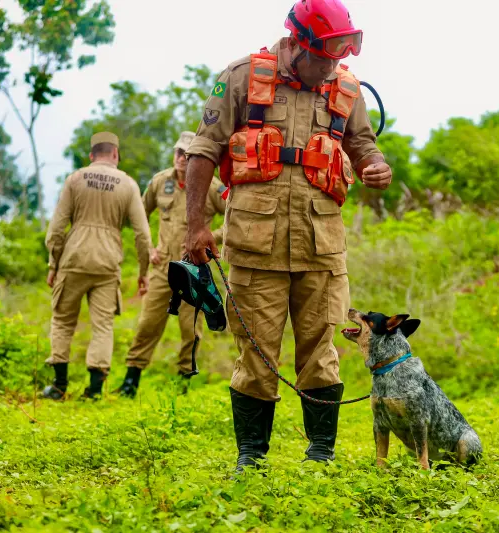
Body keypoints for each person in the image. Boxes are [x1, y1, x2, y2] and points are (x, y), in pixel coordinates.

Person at [183, 0, 392, 473]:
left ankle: (321, 454)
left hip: (322, 246)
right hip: (255, 246)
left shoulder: (345, 87)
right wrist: (195, 226)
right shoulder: (241, 77)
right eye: (323, 58)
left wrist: (375, 165)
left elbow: (362, 143)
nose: (330, 68)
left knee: (322, 353)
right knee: (256, 354)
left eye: (338, 59)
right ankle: (251, 457)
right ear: (298, 45)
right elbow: (203, 150)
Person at [116, 131, 228, 398]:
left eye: (188, 155)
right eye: (179, 152)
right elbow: (139, 215)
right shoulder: (159, 182)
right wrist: (149, 247)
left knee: (191, 329)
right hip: (162, 267)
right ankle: (131, 381)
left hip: (193, 269)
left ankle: (183, 384)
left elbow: (234, 218)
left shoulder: (212, 187)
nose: (182, 158)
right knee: (147, 324)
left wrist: (211, 238)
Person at [42, 132, 152, 400]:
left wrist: (53, 264)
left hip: (73, 259)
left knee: (63, 321)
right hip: (107, 264)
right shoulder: (128, 185)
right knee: (103, 326)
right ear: (115, 154)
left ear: (92, 155)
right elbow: (143, 236)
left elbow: (56, 230)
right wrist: (143, 272)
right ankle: (94, 390)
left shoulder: (75, 179)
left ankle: (59, 386)